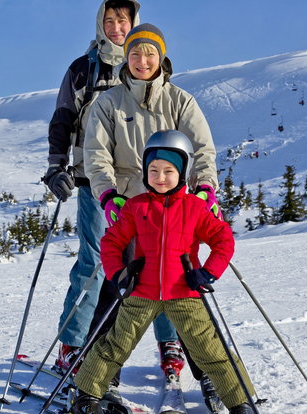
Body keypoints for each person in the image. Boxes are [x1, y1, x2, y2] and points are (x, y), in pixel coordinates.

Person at [82, 22, 226, 410]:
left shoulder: (180, 101)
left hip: (177, 209)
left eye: (149, 53)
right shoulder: (108, 103)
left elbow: (202, 150)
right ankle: (101, 375)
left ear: (161, 58)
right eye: (134, 53)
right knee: (116, 288)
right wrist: (109, 195)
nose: (142, 60)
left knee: (186, 292)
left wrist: (205, 188)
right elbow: (95, 155)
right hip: (130, 207)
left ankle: (211, 373)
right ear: (125, 57)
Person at [72, 130, 256, 414]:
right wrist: (119, 274)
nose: (159, 177)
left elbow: (223, 240)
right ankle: (86, 397)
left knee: (211, 350)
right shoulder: (136, 207)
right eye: (153, 170)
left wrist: (207, 272)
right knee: (113, 346)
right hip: (141, 292)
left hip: (184, 292)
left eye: (168, 171)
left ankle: (239, 401)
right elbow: (111, 242)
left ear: (182, 172)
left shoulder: (195, 207)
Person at [42, 0, 143, 376]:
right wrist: (56, 168)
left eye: (124, 19)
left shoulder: (144, 64)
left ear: (135, 22)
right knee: (97, 263)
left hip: (139, 182)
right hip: (93, 180)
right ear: (101, 23)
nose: (117, 26)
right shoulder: (84, 69)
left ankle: (113, 349)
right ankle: (72, 346)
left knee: (141, 266)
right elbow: (64, 118)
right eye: (111, 19)